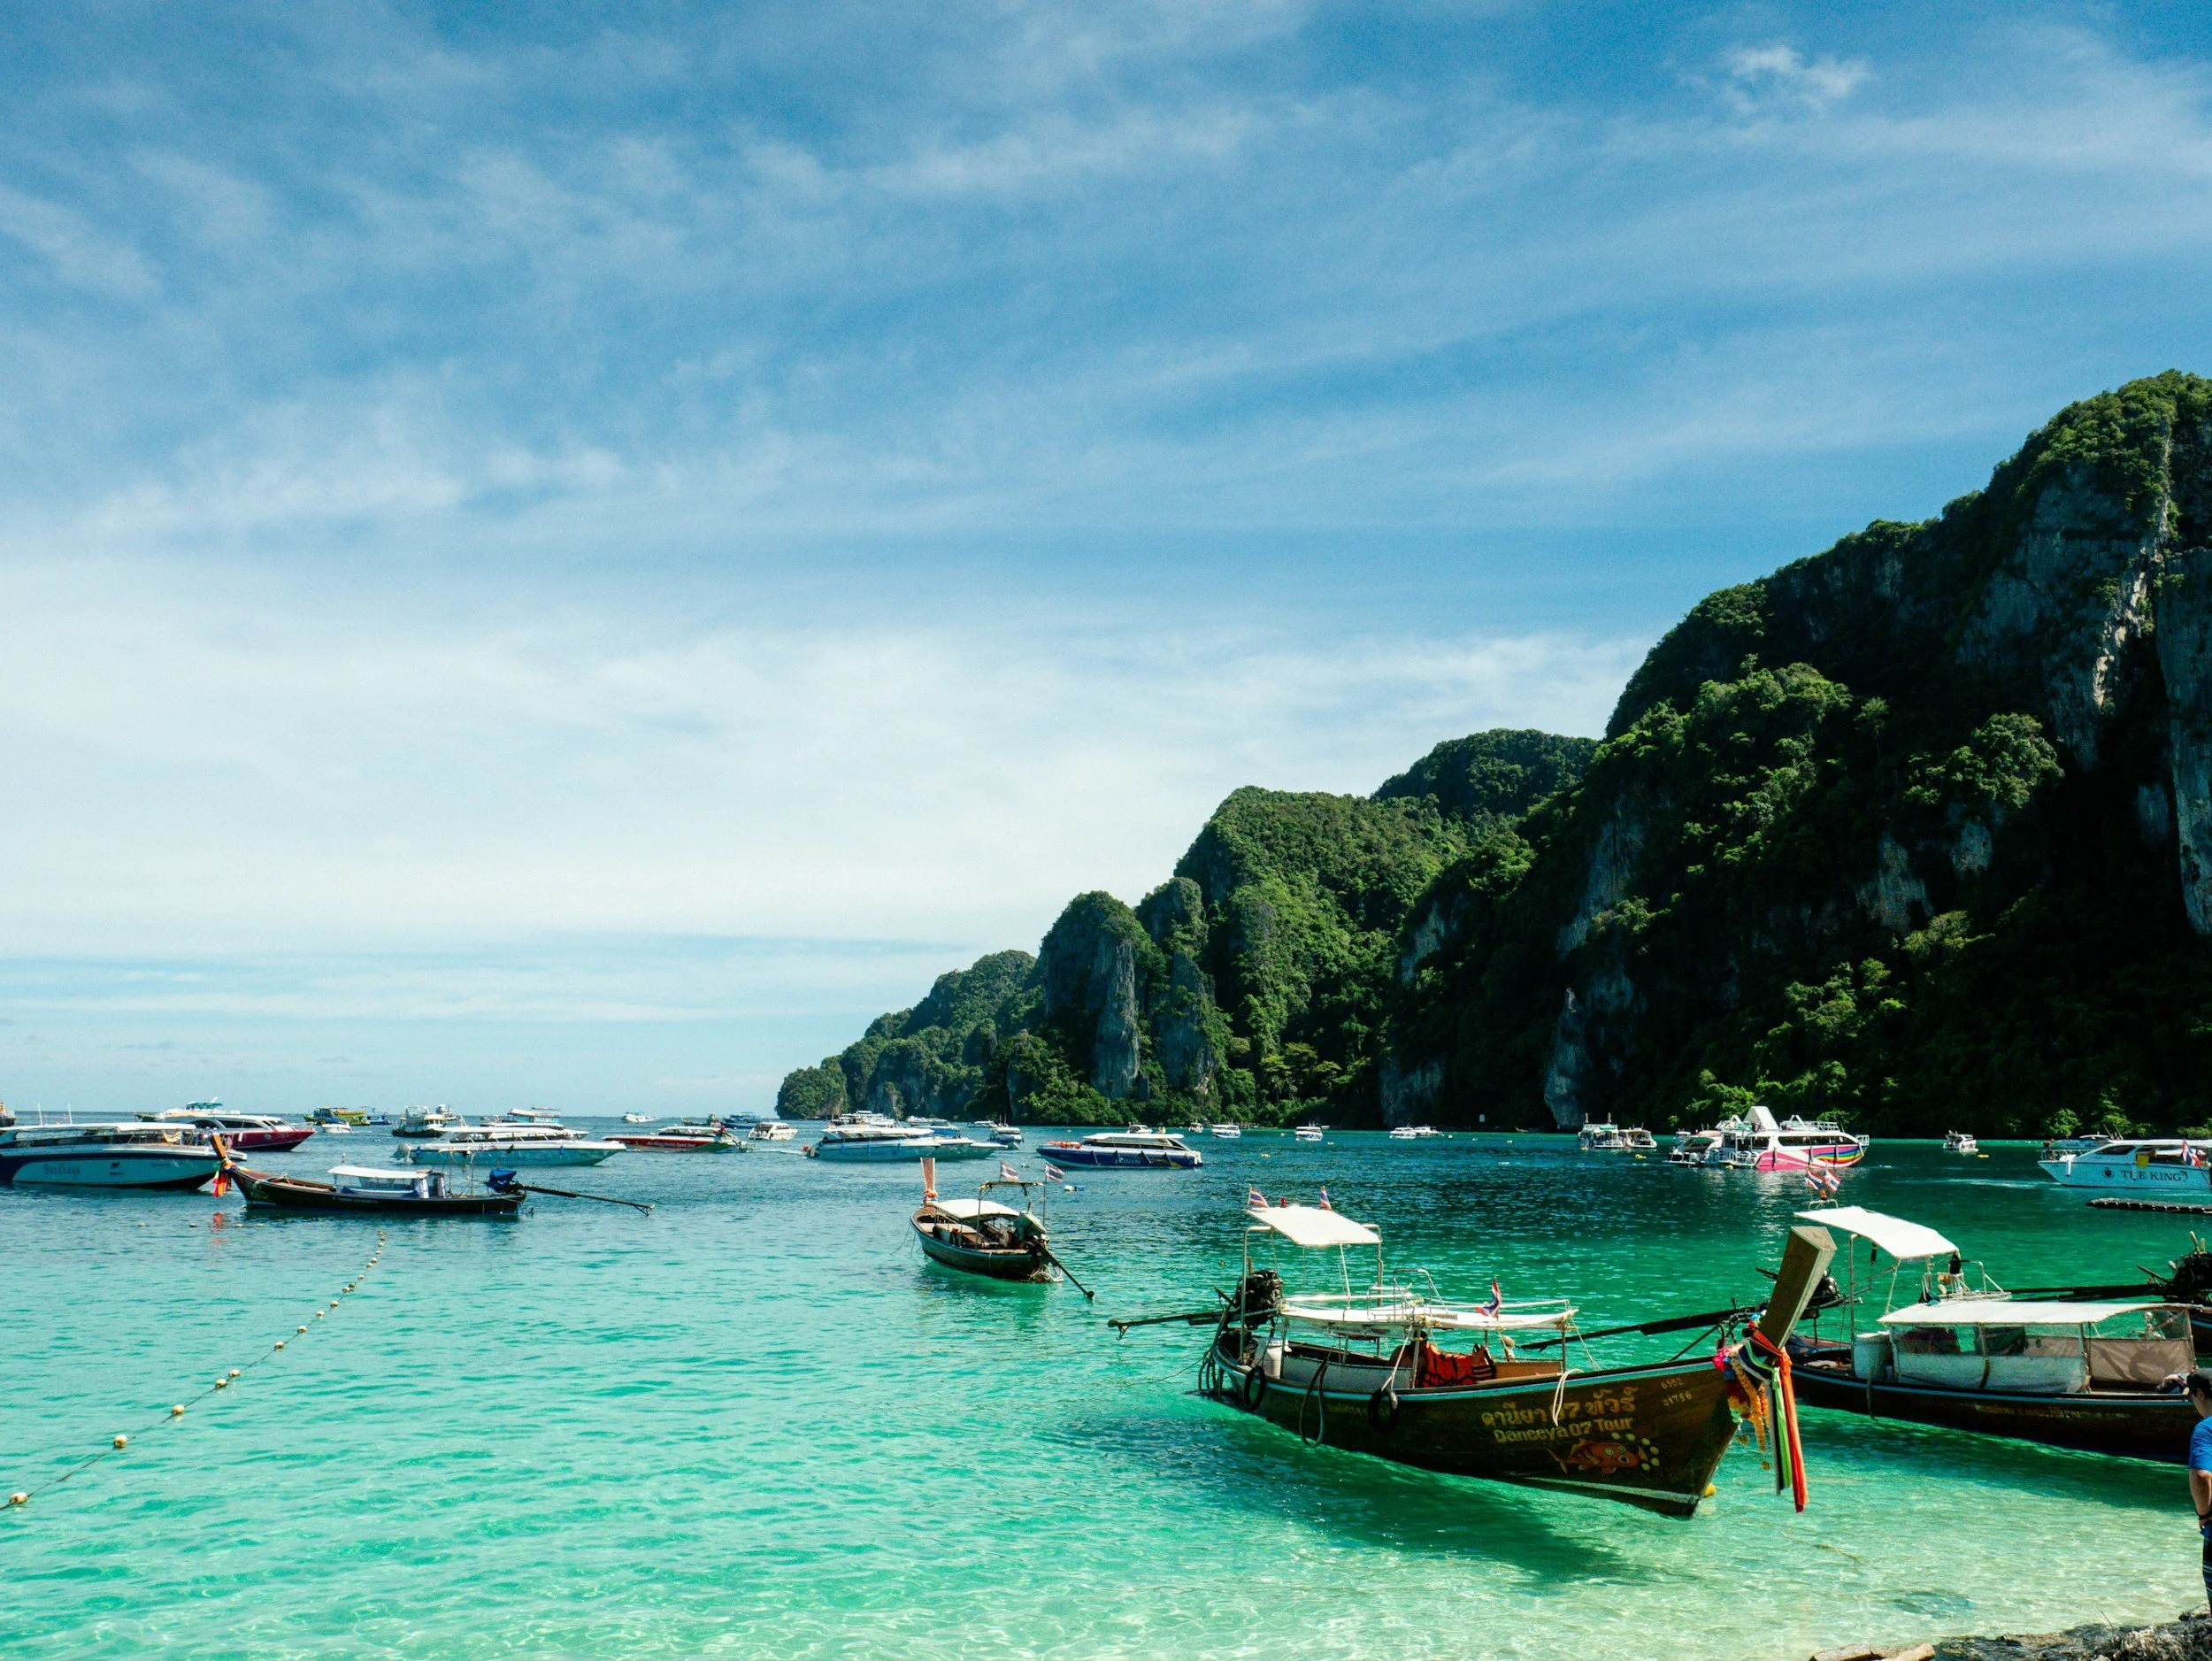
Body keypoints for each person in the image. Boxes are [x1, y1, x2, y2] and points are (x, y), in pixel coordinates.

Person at [2188, 1370, 2212, 1610]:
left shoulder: (2206, 1429)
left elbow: (2201, 1475)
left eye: (2192, 1397)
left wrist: (2203, 1514)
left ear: (2200, 1394)